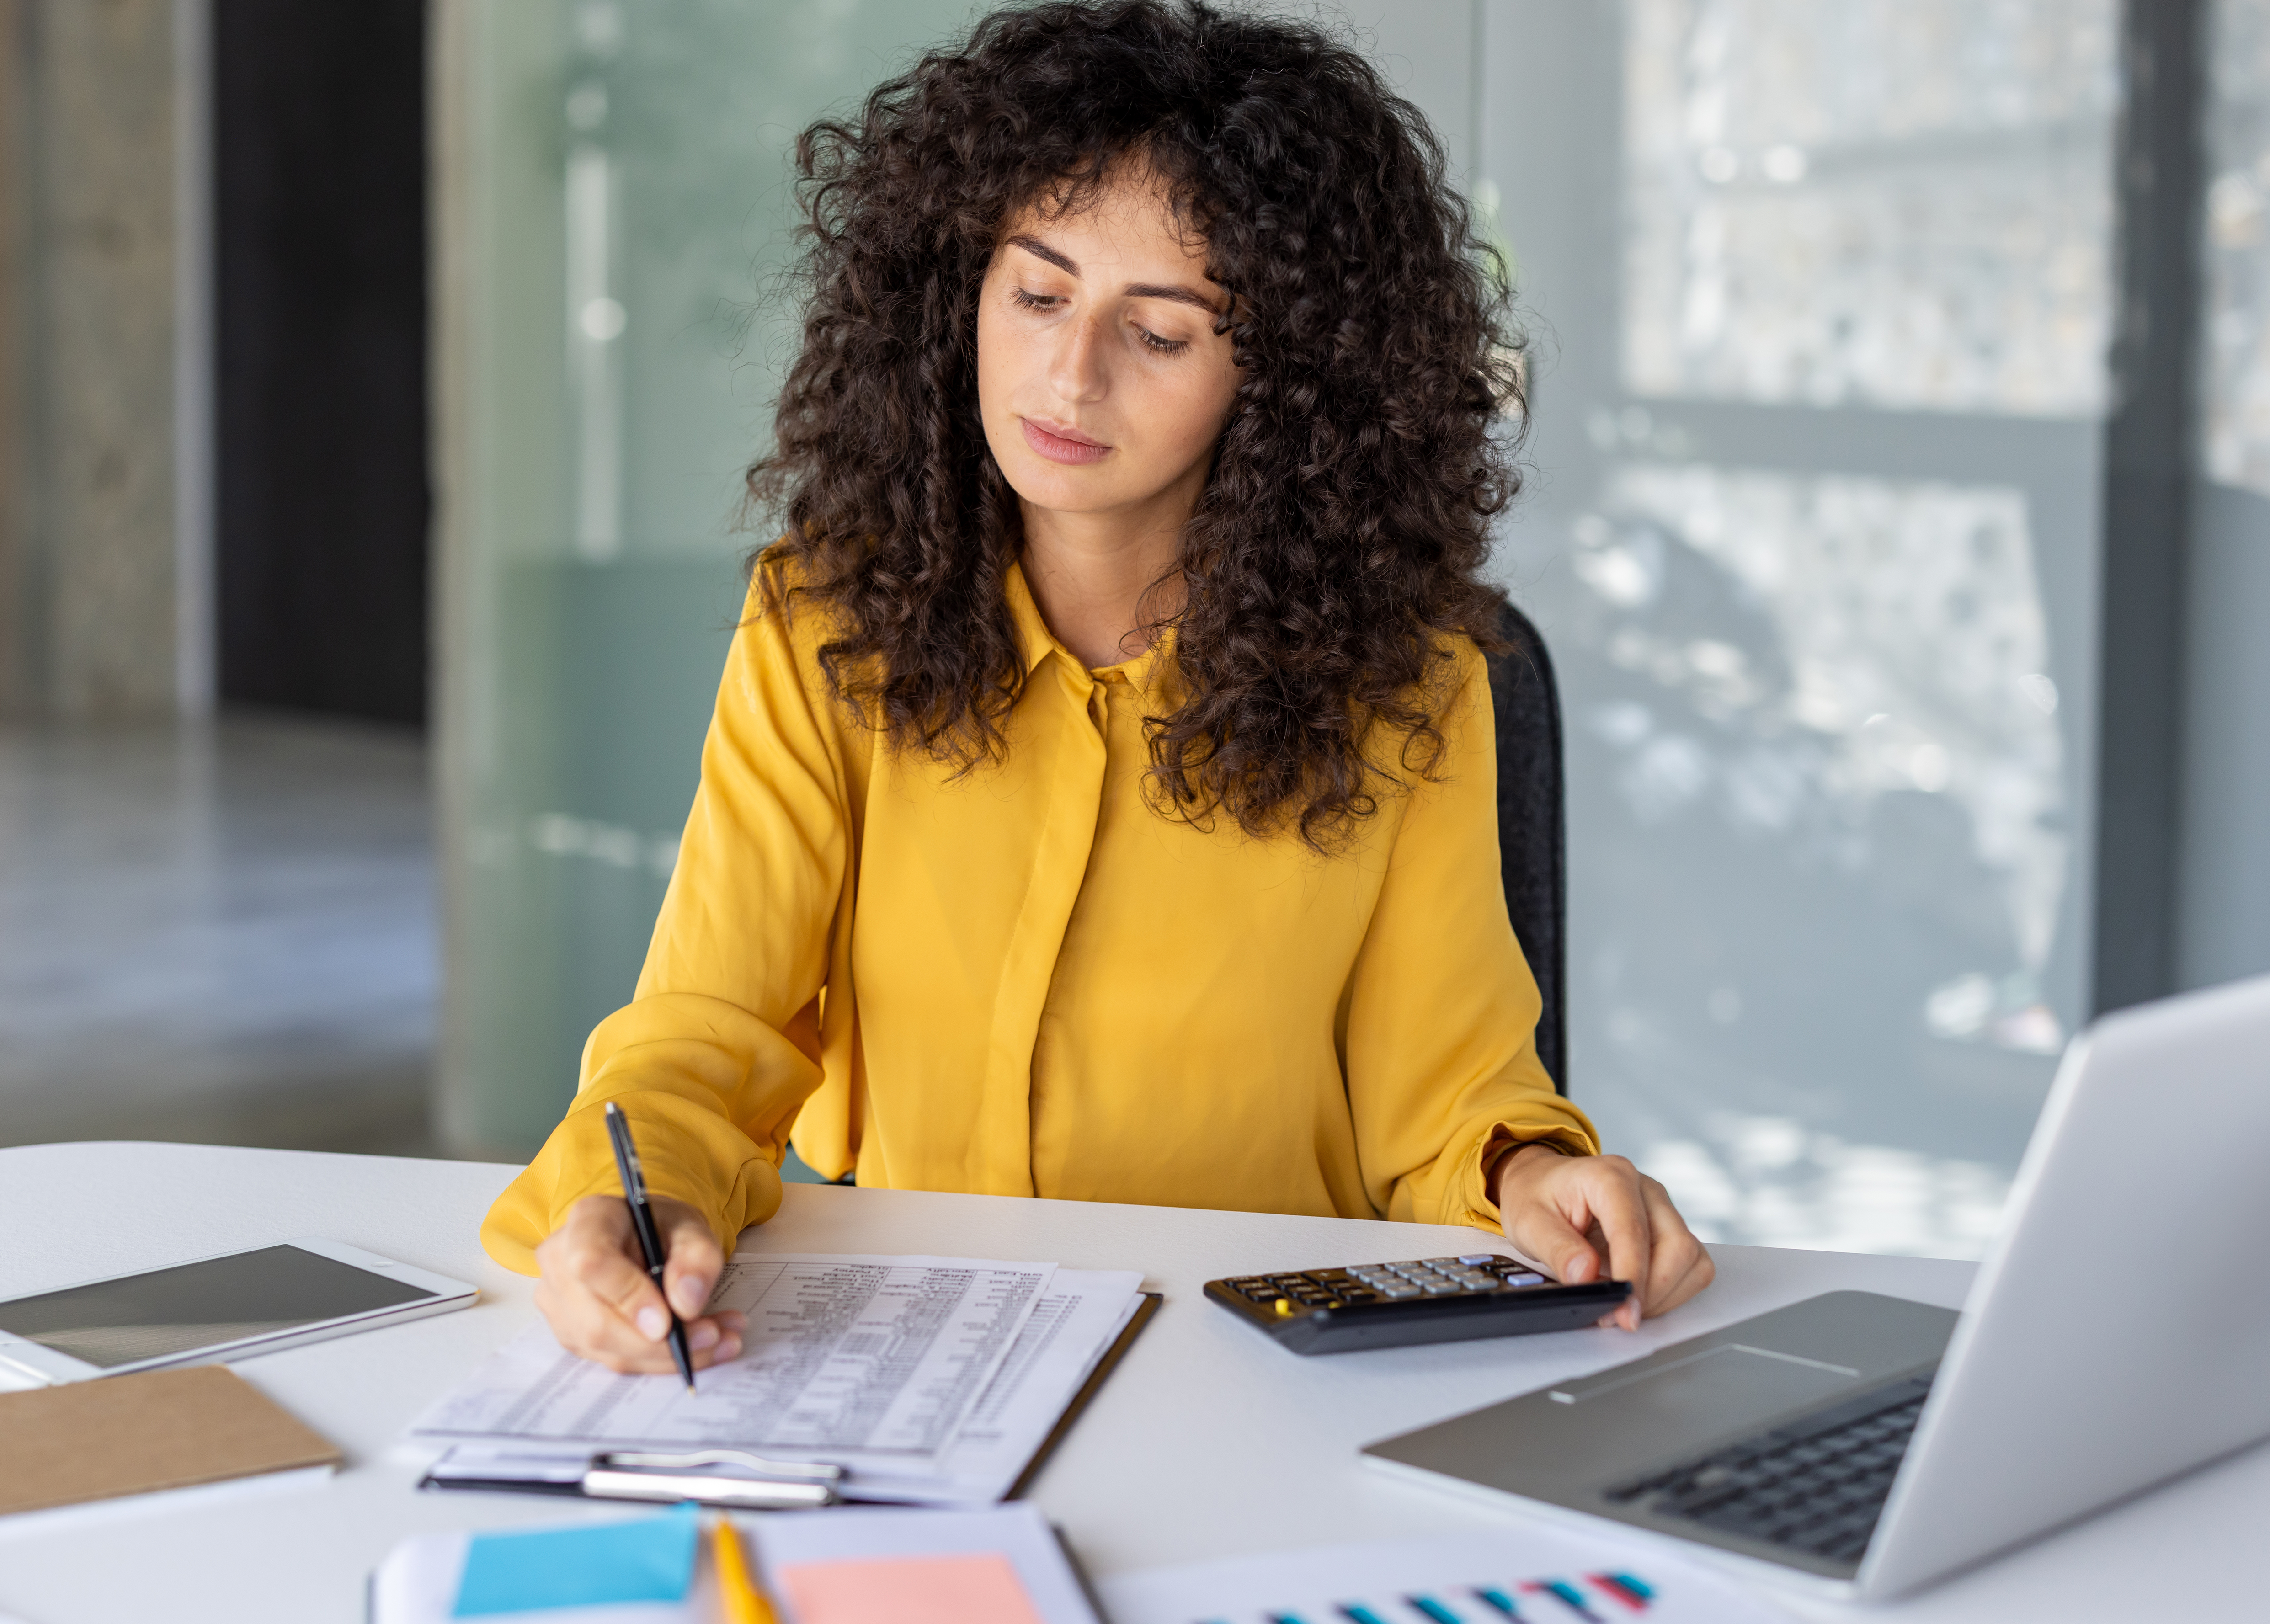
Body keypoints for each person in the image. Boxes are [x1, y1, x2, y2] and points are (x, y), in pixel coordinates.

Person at [481, 0, 1715, 1375]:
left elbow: (1450, 1097)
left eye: (1165, 332)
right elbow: (708, 1031)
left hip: (1255, 1356)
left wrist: (1534, 1182)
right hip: (909, 1333)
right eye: (1041, 293)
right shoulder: (822, 623)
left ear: (1284, 378)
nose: (1071, 375)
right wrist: (633, 1199)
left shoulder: (1407, 684)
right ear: (962, 289)